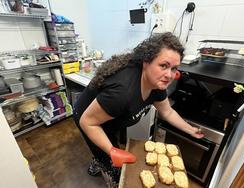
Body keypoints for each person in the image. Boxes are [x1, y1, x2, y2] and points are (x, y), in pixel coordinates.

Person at [73, 32, 204, 187]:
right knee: (113, 165)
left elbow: (167, 112)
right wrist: (112, 151)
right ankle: (103, 164)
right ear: (146, 62)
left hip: (108, 115)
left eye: (174, 68)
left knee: (106, 146)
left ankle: (99, 158)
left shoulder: (157, 83)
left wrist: (189, 129)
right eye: (164, 65)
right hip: (89, 118)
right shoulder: (122, 93)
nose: (169, 75)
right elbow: (88, 122)